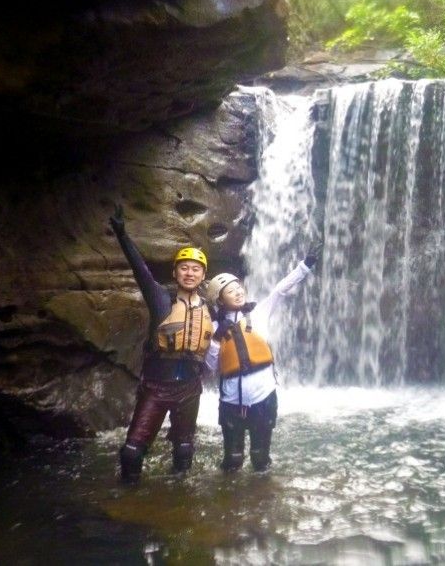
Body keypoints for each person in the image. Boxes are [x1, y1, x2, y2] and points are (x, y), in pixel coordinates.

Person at [109, 205, 214, 484]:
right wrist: (122, 235)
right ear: (176, 273)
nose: (190, 273)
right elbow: (140, 270)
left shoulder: (211, 308)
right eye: (184, 268)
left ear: (203, 276)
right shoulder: (160, 299)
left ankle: (179, 505)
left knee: (184, 451)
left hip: (190, 388)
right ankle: (128, 503)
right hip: (156, 387)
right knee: (132, 453)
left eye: (195, 269)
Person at [204, 243, 321, 472]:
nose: (238, 292)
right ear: (219, 299)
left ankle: (263, 500)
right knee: (233, 460)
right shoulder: (214, 327)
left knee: (260, 458)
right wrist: (217, 339)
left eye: (239, 287)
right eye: (230, 290)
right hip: (231, 402)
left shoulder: (258, 313)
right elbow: (210, 366)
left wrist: (305, 266)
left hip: (263, 396)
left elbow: (280, 290)